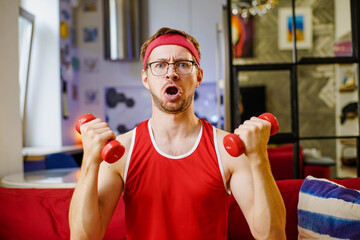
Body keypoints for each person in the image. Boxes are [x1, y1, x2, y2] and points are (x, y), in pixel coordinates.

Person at [69, 27, 286, 239]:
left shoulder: (226, 150)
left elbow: (272, 235)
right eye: (160, 65)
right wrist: (89, 159)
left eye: (182, 65)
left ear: (198, 77)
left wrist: (259, 158)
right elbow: (84, 236)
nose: (171, 73)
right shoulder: (122, 151)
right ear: (146, 78)